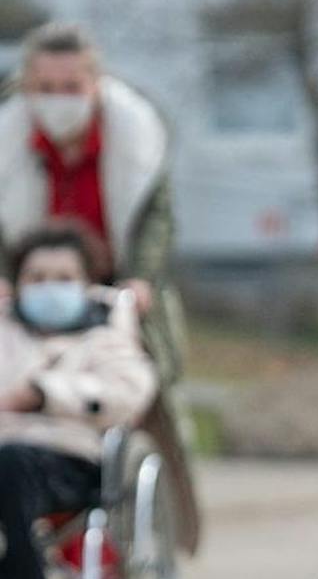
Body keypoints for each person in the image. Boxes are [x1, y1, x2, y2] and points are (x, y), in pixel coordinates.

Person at [0, 22, 185, 390]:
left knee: (147, 384)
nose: (58, 99)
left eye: (71, 87)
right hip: (32, 288)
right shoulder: (9, 143)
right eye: (45, 88)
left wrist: (141, 278)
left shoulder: (139, 142)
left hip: (116, 290)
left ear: (95, 83)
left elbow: (155, 217)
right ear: (27, 87)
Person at [0, 224, 158, 579]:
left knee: (10, 466)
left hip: (69, 459)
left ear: (87, 284)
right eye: (36, 278)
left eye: (64, 278)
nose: (49, 287)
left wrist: (43, 393)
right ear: (17, 284)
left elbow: (130, 391)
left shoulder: (104, 337)